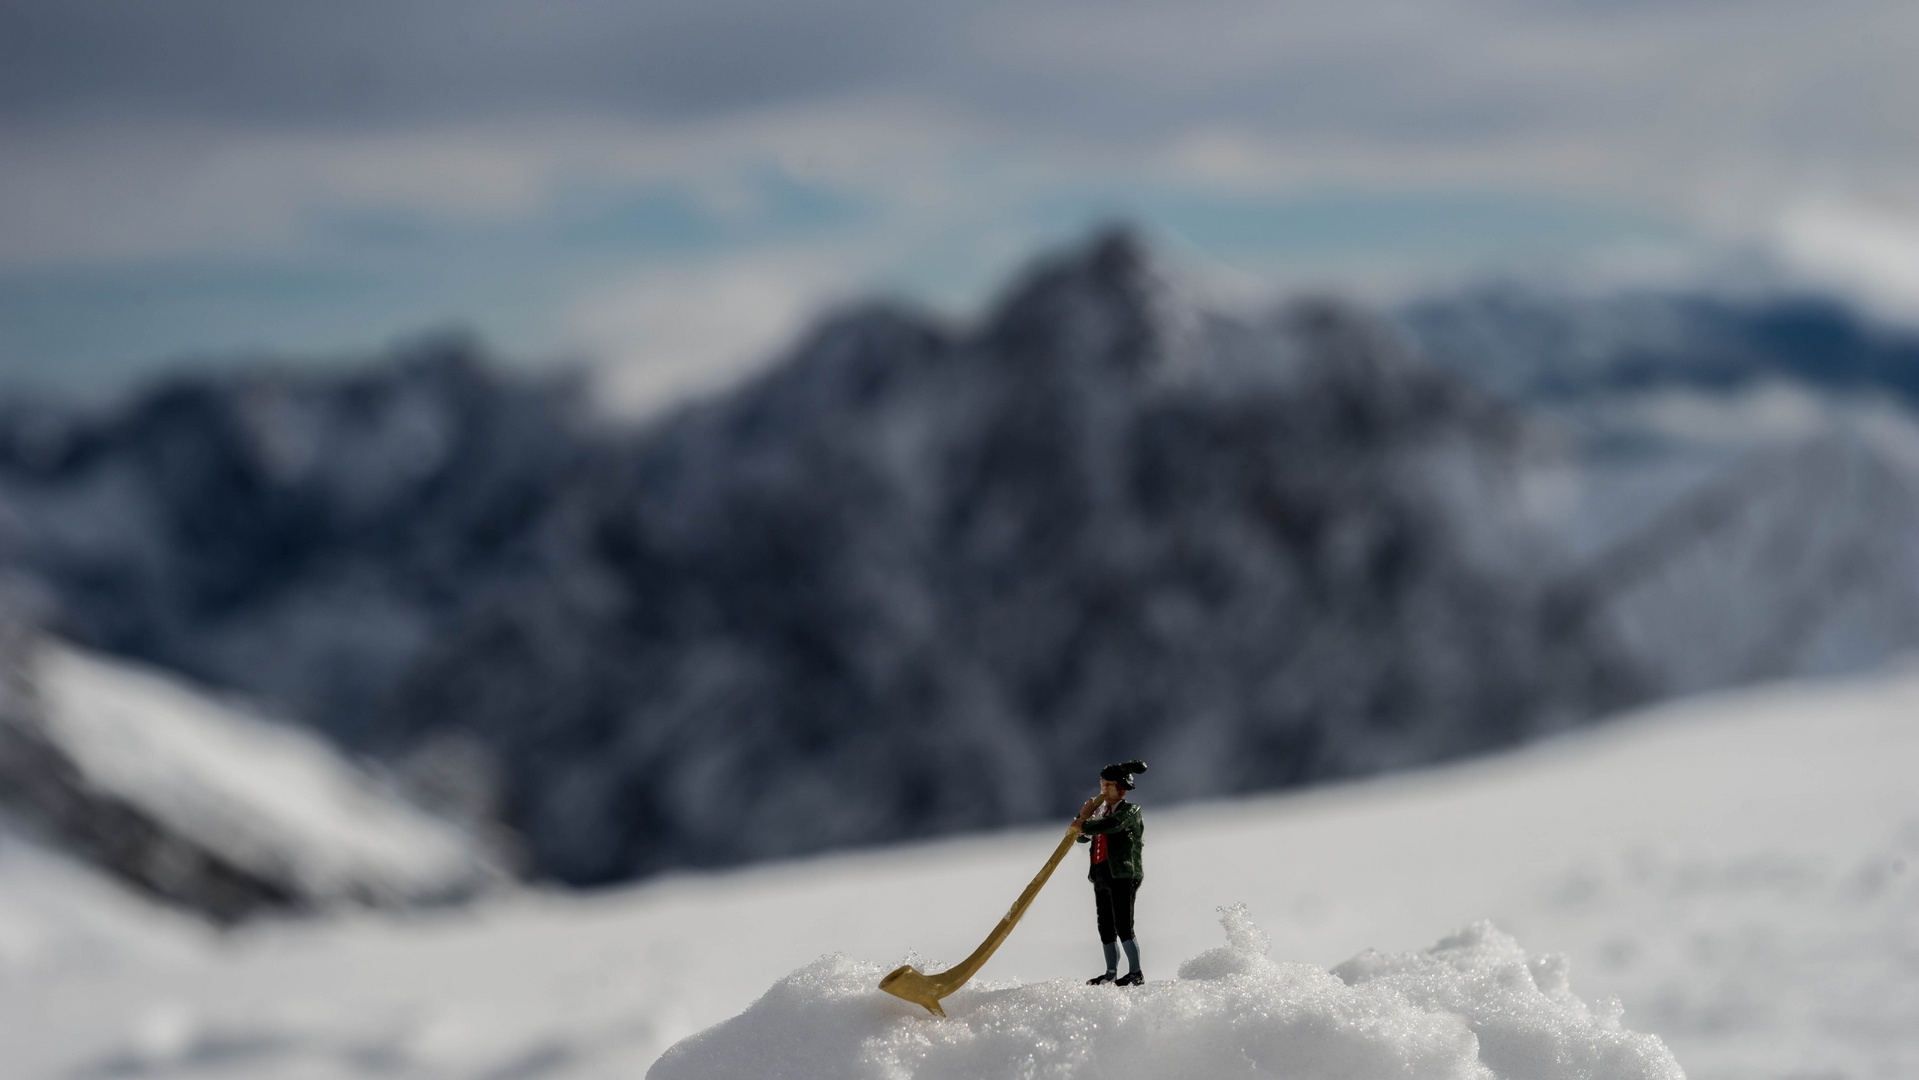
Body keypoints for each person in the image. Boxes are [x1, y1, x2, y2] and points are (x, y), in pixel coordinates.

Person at [1074, 759, 1148, 986]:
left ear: (1122, 788)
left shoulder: (1130, 810)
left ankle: (1135, 972)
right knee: (1105, 925)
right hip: (1100, 874)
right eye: (1102, 785)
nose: (1104, 790)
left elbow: (1114, 825)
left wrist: (1084, 822)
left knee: (1123, 925)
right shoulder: (1099, 813)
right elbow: (1080, 837)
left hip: (1123, 874)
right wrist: (1084, 818)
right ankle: (1110, 972)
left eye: (1109, 785)